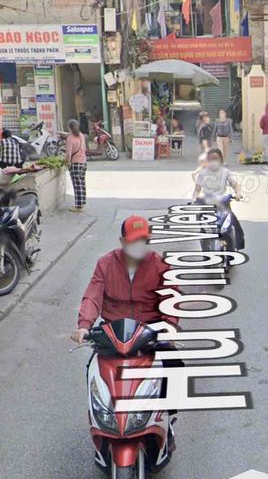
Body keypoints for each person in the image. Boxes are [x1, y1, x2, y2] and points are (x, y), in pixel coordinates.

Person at [71, 215, 171, 344]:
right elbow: (92, 296)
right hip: (113, 334)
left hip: (149, 333)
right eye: (133, 241)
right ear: (122, 241)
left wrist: (169, 326)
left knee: (171, 355)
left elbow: (170, 299)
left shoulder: (160, 265)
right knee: (97, 357)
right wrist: (84, 326)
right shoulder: (106, 264)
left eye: (143, 240)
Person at [193, 147, 245, 249]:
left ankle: (237, 246)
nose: (214, 161)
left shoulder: (226, 172)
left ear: (221, 160)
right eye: (211, 159)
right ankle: (206, 252)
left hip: (223, 204)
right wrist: (195, 199)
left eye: (216, 159)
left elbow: (234, 184)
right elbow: (197, 190)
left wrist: (238, 193)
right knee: (202, 228)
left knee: (234, 223)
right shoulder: (203, 173)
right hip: (207, 206)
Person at [65, 118, 87, 212]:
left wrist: (67, 162)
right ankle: (82, 203)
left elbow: (68, 154)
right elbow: (84, 148)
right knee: (82, 183)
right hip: (83, 162)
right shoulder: (81, 135)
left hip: (75, 163)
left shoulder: (70, 139)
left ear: (69, 127)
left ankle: (78, 206)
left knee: (77, 184)